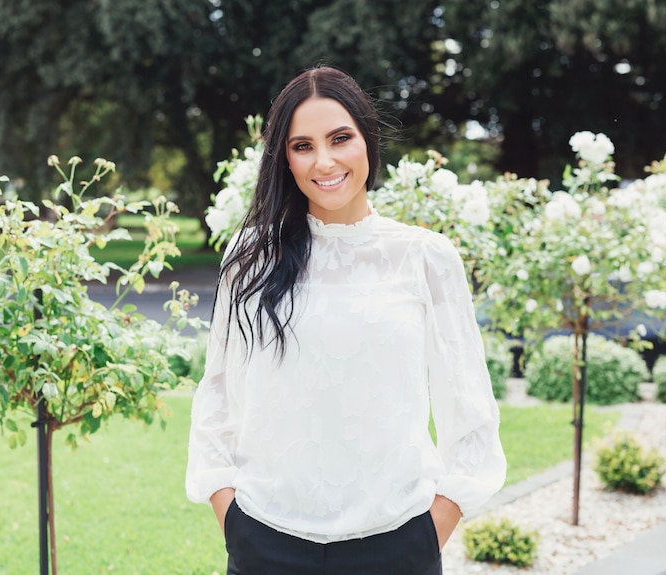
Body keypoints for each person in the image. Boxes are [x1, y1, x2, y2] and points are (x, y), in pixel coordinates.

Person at [186, 65, 506, 575]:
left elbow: (470, 411)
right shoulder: (251, 258)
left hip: (397, 542)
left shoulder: (424, 257)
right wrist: (233, 521)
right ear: (284, 159)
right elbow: (218, 395)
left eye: (340, 138)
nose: (325, 161)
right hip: (266, 540)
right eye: (303, 146)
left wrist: (431, 532)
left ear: (368, 141)